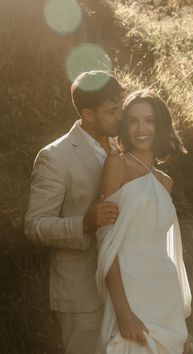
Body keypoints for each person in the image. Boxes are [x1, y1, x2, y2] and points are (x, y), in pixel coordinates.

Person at [24, 70, 124, 354]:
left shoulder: (124, 145)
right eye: (113, 111)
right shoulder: (54, 157)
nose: (121, 117)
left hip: (127, 286)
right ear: (88, 114)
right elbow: (35, 225)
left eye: (122, 108)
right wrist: (84, 223)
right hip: (81, 294)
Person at [95, 89, 192, 354]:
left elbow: (166, 252)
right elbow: (106, 239)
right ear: (124, 126)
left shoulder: (165, 182)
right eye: (133, 120)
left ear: (160, 125)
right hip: (129, 288)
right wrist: (122, 311)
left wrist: (180, 320)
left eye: (149, 120)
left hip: (164, 292)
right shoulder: (116, 165)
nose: (141, 128)